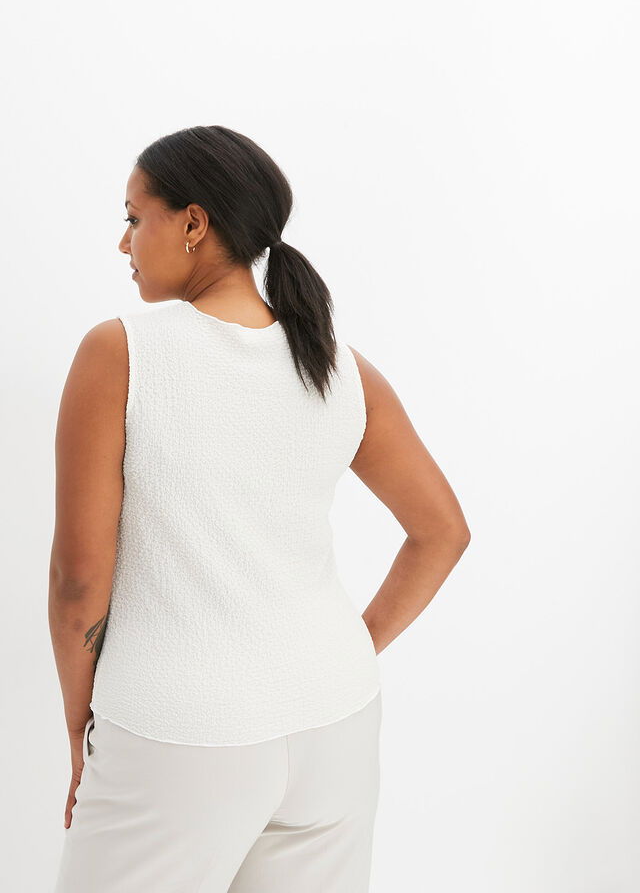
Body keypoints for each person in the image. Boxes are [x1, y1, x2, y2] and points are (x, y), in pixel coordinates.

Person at [49, 124, 471, 892]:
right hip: (335, 719)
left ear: (193, 223)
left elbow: (80, 579)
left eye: (134, 218)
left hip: (177, 735)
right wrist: (350, 649)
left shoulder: (121, 352)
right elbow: (442, 531)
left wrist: (80, 727)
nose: (123, 242)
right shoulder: (339, 366)